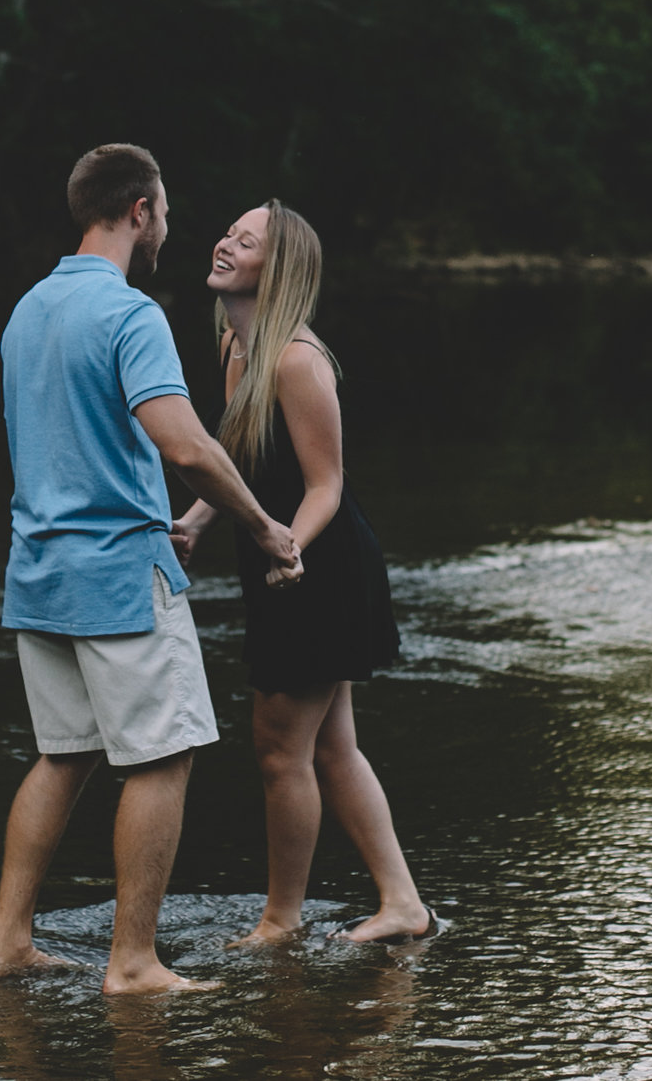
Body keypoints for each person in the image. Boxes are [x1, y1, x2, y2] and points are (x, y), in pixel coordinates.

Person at [0, 144, 306, 995]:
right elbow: (185, 442)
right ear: (139, 210)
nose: (167, 223)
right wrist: (264, 525)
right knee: (162, 758)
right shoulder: (129, 314)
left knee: (63, 755)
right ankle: (134, 962)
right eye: (162, 208)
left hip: (37, 572)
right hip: (119, 573)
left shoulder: (26, 310)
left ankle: (8, 943)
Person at [171, 200, 432, 947]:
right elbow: (239, 461)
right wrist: (195, 519)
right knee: (329, 745)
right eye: (228, 231)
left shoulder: (296, 359)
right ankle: (402, 903)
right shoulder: (234, 346)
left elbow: (327, 485)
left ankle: (279, 921)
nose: (224, 242)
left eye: (244, 240)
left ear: (274, 269)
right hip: (280, 559)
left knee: (281, 749)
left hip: (319, 566)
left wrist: (290, 550)